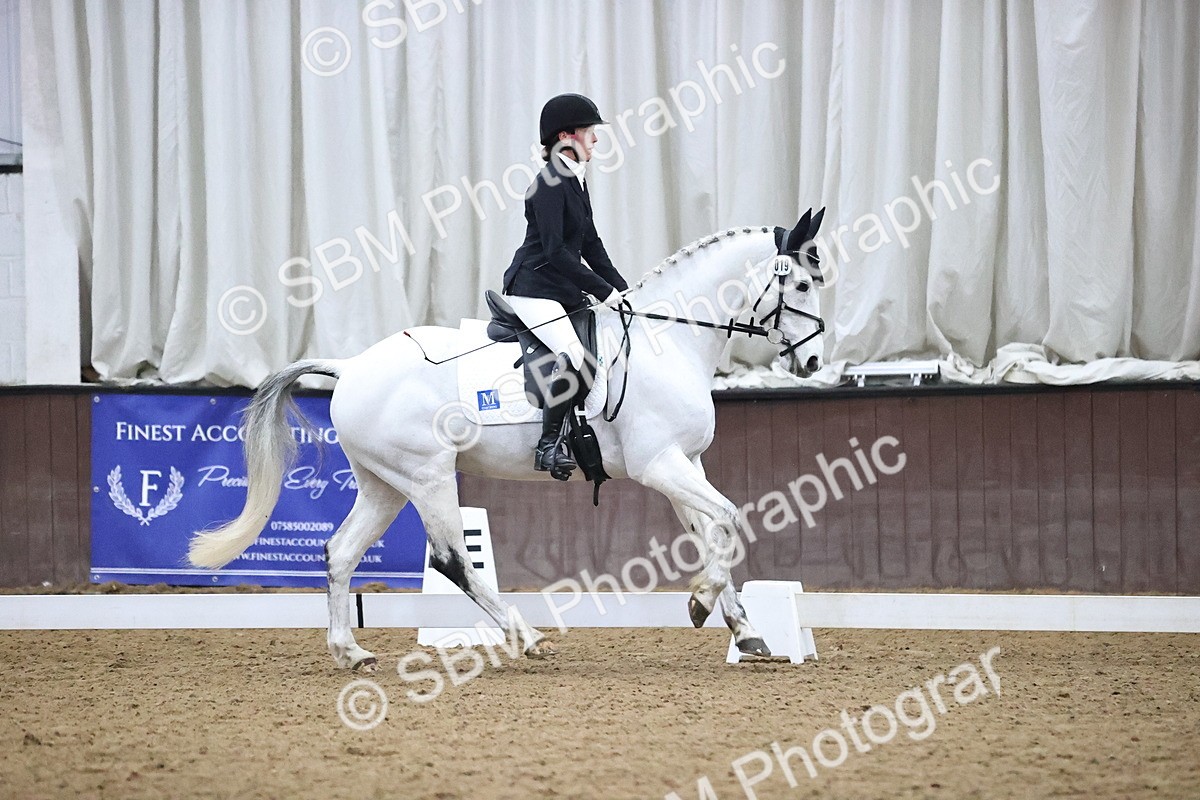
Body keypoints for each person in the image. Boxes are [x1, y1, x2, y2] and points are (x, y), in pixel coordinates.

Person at [501, 93, 629, 480]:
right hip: (532, 288)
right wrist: (603, 291)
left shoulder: (574, 181)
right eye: (590, 131)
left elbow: (591, 244)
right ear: (566, 136)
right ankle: (548, 446)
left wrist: (625, 291)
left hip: (558, 290)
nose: (596, 139)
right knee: (573, 356)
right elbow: (556, 252)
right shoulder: (549, 183)